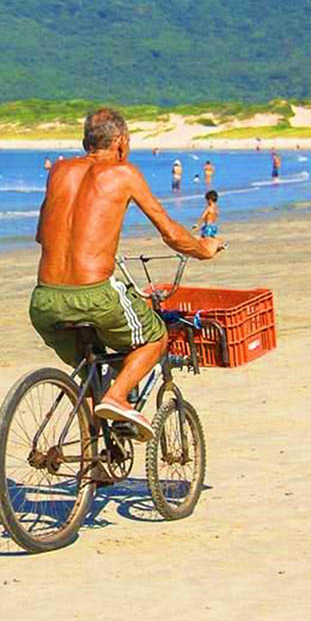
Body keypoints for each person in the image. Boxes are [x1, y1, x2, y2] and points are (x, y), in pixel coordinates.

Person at [29, 108, 223, 441]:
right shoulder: (123, 172)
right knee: (156, 336)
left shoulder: (59, 171)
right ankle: (119, 397)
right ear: (120, 142)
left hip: (44, 300)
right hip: (94, 295)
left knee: (90, 369)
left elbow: (41, 234)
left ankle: (95, 452)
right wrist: (204, 249)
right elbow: (171, 233)